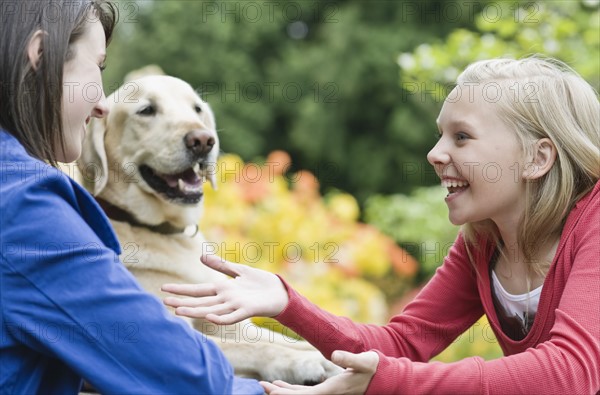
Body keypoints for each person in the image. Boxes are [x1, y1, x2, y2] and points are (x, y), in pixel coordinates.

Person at [162, 56, 600, 394]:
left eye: (461, 137)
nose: (435, 153)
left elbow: (569, 374)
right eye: (441, 134)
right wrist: (287, 302)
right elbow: (401, 345)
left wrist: (395, 381)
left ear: (537, 158)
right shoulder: (483, 242)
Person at [0, 1, 264, 393]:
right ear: (40, 56)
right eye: (99, 67)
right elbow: (184, 374)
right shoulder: (24, 206)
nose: (102, 103)